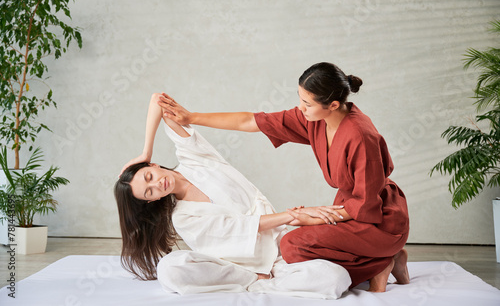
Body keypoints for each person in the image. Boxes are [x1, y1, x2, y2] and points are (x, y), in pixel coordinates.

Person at [157, 62, 411, 292]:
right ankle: (383, 261)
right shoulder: (315, 118)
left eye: (307, 103)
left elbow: (367, 203)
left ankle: (381, 262)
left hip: (378, 220)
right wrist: (191, 118)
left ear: (333, 105)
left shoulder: (360, 137)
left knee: (293, 246)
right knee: (295, 246)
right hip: (348, 210)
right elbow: (252, 121)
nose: (301, 108)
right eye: (300, 99)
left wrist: (313, 218)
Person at [114, 93, 351, 299]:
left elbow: (159, 101)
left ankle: (266, 279)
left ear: (152, 165)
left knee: (335, 278)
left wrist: (145, 150)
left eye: (148, 176)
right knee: (170, 270)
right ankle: (254, 280)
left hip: (278, 249)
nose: (156, 184)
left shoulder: (193, 158)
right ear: (152, 200)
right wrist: (292, 215)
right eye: (149, 192)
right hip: (237, 266)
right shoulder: (183, 217)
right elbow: (239, 228)